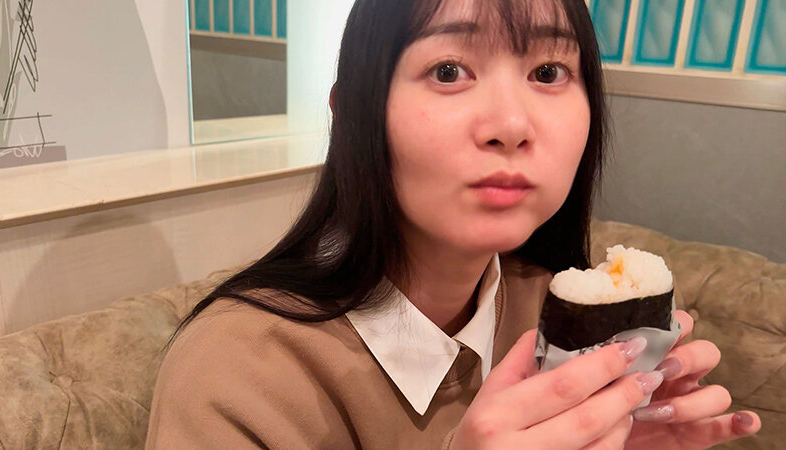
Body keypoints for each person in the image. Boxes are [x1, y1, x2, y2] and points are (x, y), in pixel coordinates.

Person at [146, 0, 761, 448]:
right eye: (448, 71)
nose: (511, 125)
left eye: (548, 73)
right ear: (351, 114)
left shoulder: (551, 307)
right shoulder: (237, 375)